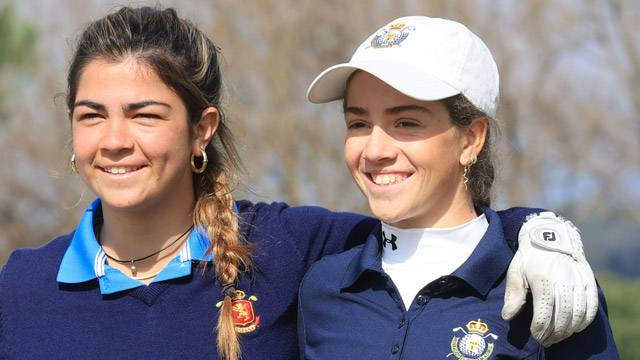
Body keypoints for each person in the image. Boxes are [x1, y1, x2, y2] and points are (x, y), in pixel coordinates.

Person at [0, 7, 599, 360]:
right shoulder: (21, 287)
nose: (113, 140)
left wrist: (542, 230)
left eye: (145, 114)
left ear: (201, 130)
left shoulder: (288, 248)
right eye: (90, 114)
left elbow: (435, 227)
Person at [298, 16, 619, 359]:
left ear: (471, 138)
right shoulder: (323, 288)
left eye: (406, 123)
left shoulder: (551, 285)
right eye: (358, 123)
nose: (375, 150)